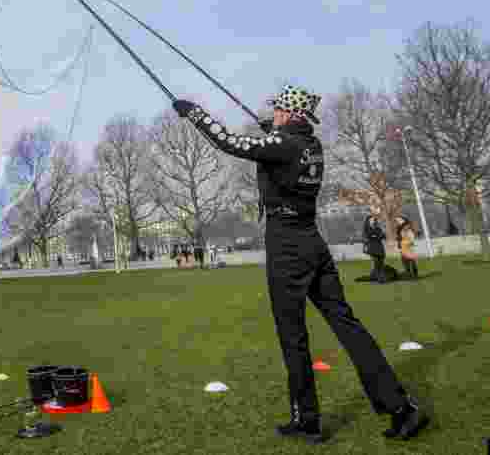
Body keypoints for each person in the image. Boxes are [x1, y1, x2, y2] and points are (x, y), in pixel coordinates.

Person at [173, 85, 427, 443]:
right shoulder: (310, 145)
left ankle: (307, 420)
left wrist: (195, 114)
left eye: (277, 108)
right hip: (313, 242)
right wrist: (274, 130)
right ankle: (401, 408)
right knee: (347, 325)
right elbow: (281, 145)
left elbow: (230, 142)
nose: (273, 112)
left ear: (290, 114)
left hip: (286, 246)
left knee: (293, 336)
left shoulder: (284, 145)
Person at [363, 213, 387, 283]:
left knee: (381, 264)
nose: (373, 221)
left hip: (380, 248)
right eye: (372, 220)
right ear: (368, 221)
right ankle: (379, 278)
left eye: (374, 220)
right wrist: (376, 236)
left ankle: (380, 278)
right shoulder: (366, 229)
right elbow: (367, 237)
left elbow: (383, 236)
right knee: (376, 263)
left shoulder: (378, 228)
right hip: (372, 248)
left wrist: (377, 236)